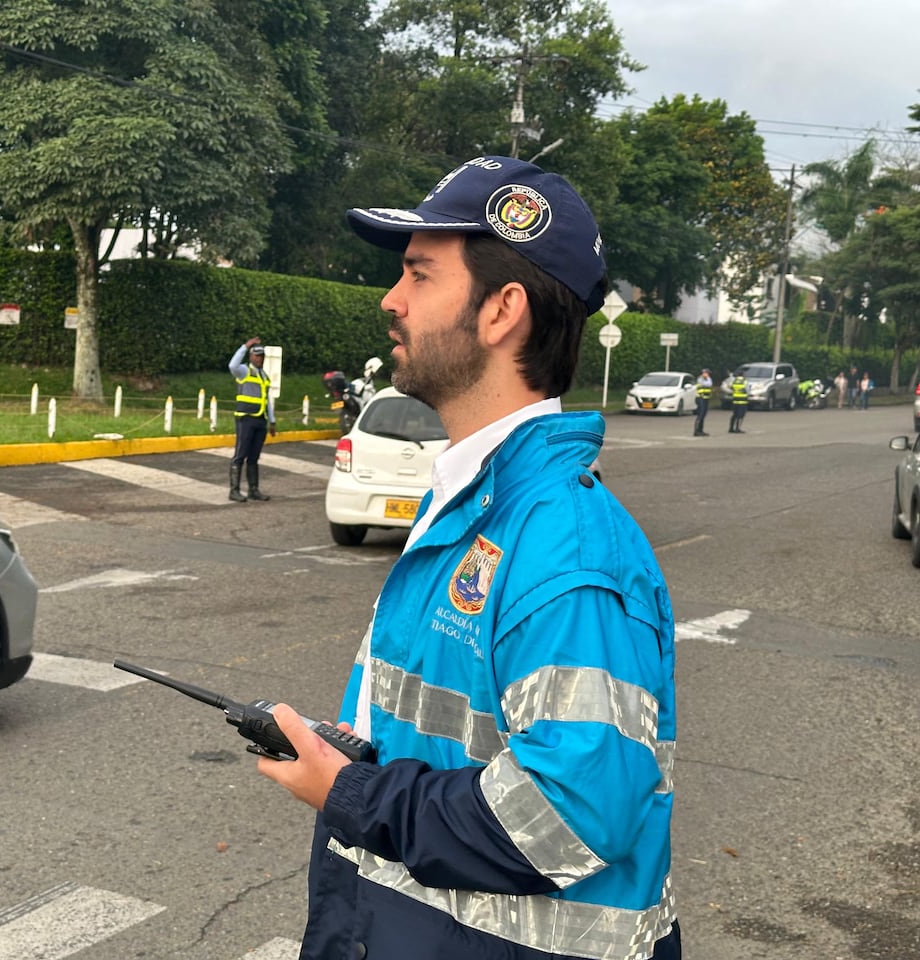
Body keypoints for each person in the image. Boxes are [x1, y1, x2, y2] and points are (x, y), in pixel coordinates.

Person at [257, 156, 680, 960]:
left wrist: (351, 792)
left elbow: (572, 813)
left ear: (501, 312)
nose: (392, 299)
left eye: (419, 274)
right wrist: (348, 755)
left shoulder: (566, 546)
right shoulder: (476, 501)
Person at [227, 337, 276, 502]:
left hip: (260, 420)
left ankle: (253, 490)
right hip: (245, 419)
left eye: (262, 356)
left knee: (254, 457)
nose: (260, 358)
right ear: (251, 356)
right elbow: (231, 365)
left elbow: (267, 400)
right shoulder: (243, 371)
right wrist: (245, 346)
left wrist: (272, 420)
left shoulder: (264, 376)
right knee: (240, 455)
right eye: (257, 355)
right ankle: (234, 491)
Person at [693, 367, 712, 436]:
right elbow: (706, 384)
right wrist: (705, 378)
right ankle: (696, 431)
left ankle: (701, 430)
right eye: (707, 373)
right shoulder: (700, 379)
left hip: (706, 398)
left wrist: (707, 378)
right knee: (700, 415)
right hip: (700, 398)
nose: (708, 375)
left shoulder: (708, 379)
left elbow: (709, 383)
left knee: (703, 415)